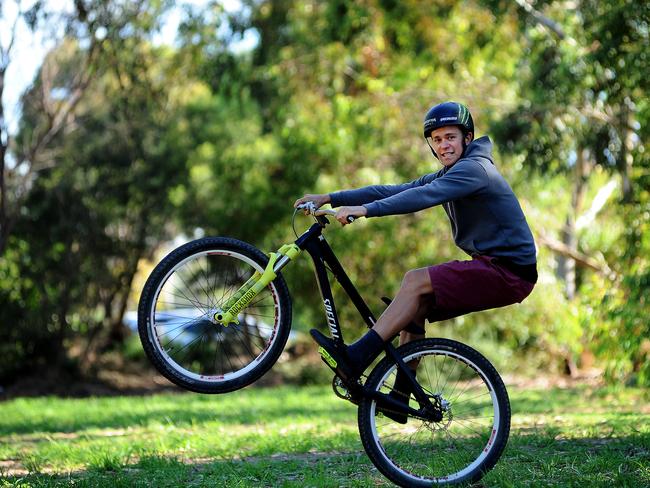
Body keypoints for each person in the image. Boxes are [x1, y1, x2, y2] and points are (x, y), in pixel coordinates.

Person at [294, 101, 537, 411]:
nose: (443, 145)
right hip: (494, 267)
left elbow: (421, 197)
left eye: (450, 137)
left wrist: (364, 211)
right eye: (436, 140)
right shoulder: (451, 171)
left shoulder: (475, 170)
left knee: (415, 280)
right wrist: (331, 197)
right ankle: (400, 398)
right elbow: (392, 190)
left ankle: (357, 357)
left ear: (468, 137)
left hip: (509, 272)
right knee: (415, 304)